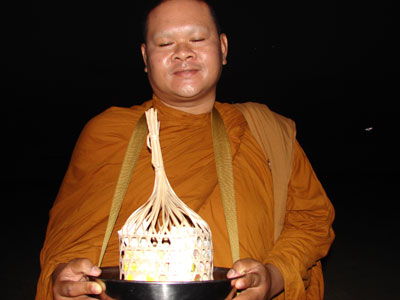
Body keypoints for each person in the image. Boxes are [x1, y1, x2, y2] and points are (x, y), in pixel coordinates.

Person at [36, 0, 335, 299]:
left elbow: (310, 221)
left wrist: (273, 275)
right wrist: (65, 280)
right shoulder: (108, 135)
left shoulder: (266, 131)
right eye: (165, 43)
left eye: (197, 39)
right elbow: (70, 244)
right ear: (145, 57)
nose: (182, 52)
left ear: (223, 47)